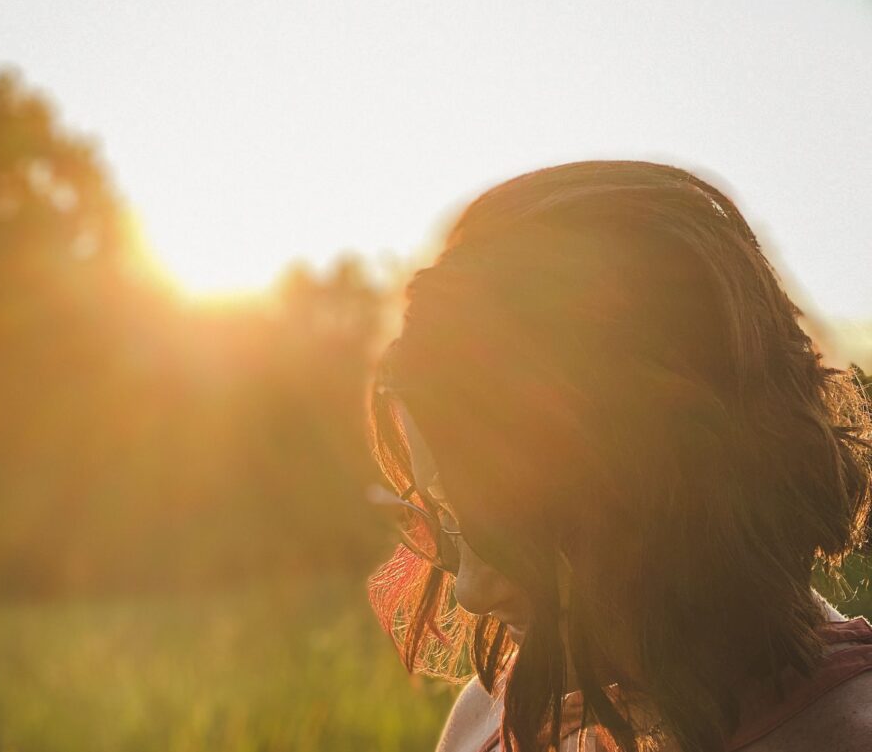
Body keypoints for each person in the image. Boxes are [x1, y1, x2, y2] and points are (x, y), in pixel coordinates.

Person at [366, 161, 872, 752]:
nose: (470, 593)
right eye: (447, 513)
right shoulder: (495, 717)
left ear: (673, 480)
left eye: (513, 521)